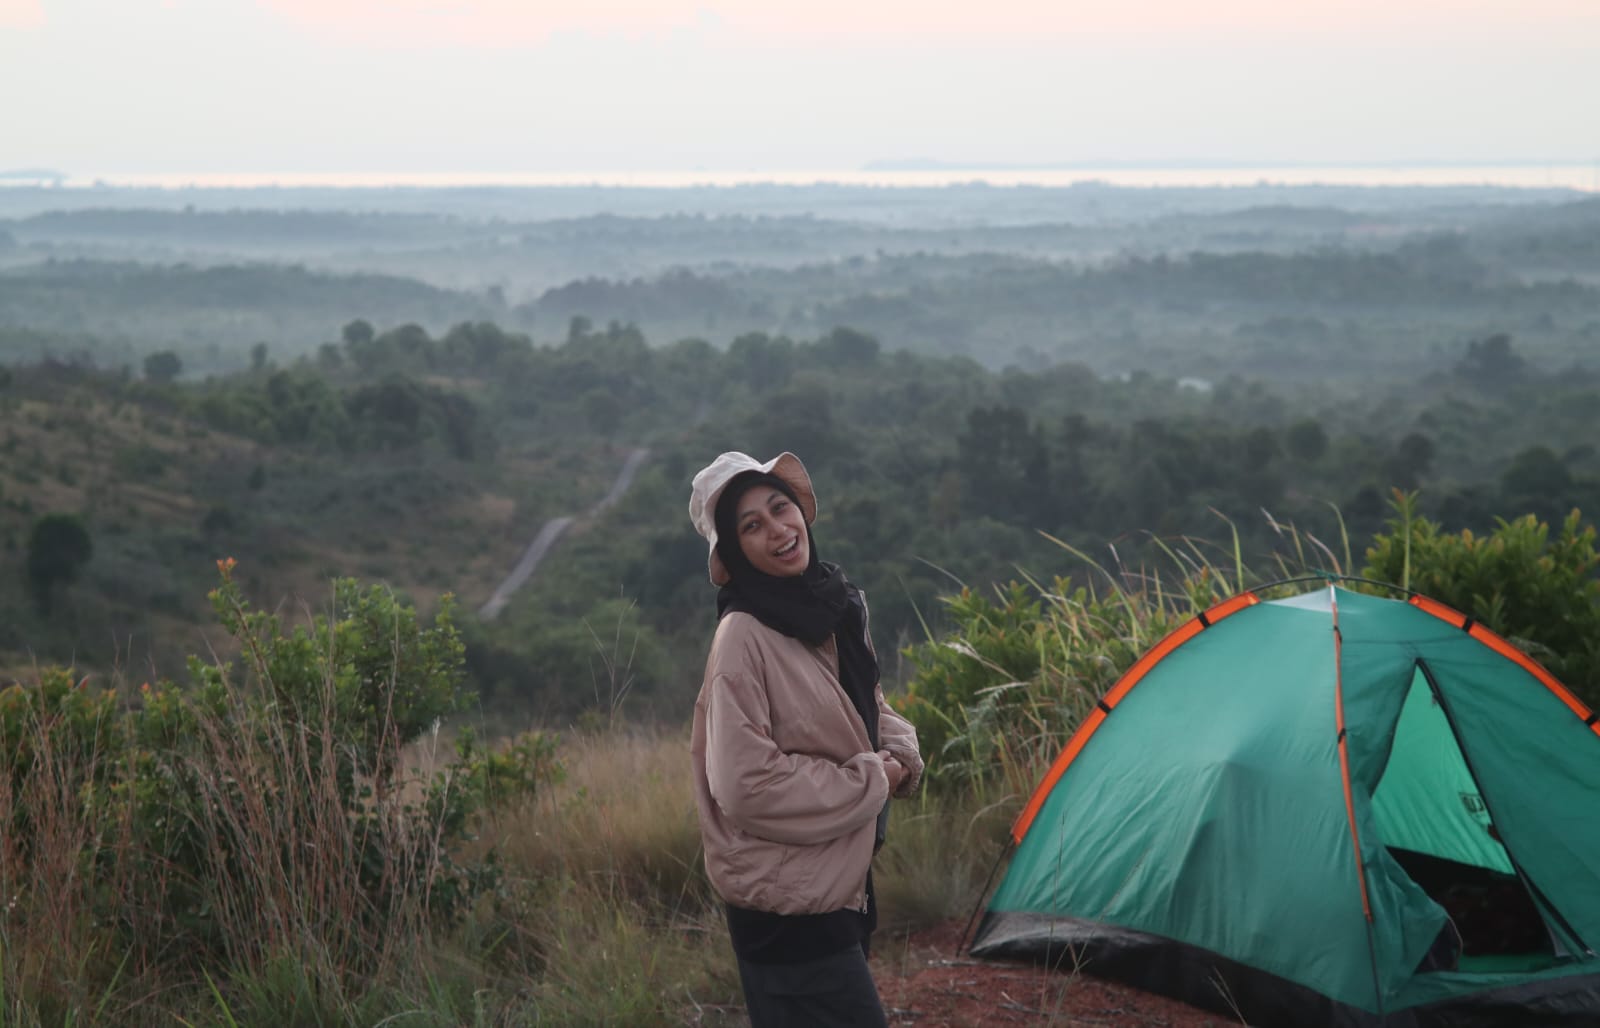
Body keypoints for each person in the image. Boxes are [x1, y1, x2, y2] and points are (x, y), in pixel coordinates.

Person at [688, 450, 924, 1028]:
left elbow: (860, 701)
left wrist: (901, 746)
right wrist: (877, 778)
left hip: (836, 881)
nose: (778, 530)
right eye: (752, 526)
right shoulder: (744, 635)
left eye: (780, 508)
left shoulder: (827, 603)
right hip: (785, 908)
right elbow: (748, 786)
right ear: (734, 549)